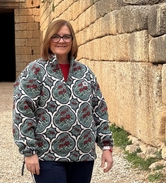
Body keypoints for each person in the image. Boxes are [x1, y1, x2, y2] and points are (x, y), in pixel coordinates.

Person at [12, 19, 114, 183]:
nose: (61, 41)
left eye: (66, 36)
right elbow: (22, 112)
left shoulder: (85, 72)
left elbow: (99, 110)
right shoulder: (34, 71)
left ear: (72, 41)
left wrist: (106, 146)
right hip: (48, 155)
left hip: (83, 155)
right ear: (48, 40)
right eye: (56, 36)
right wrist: (29, 152)